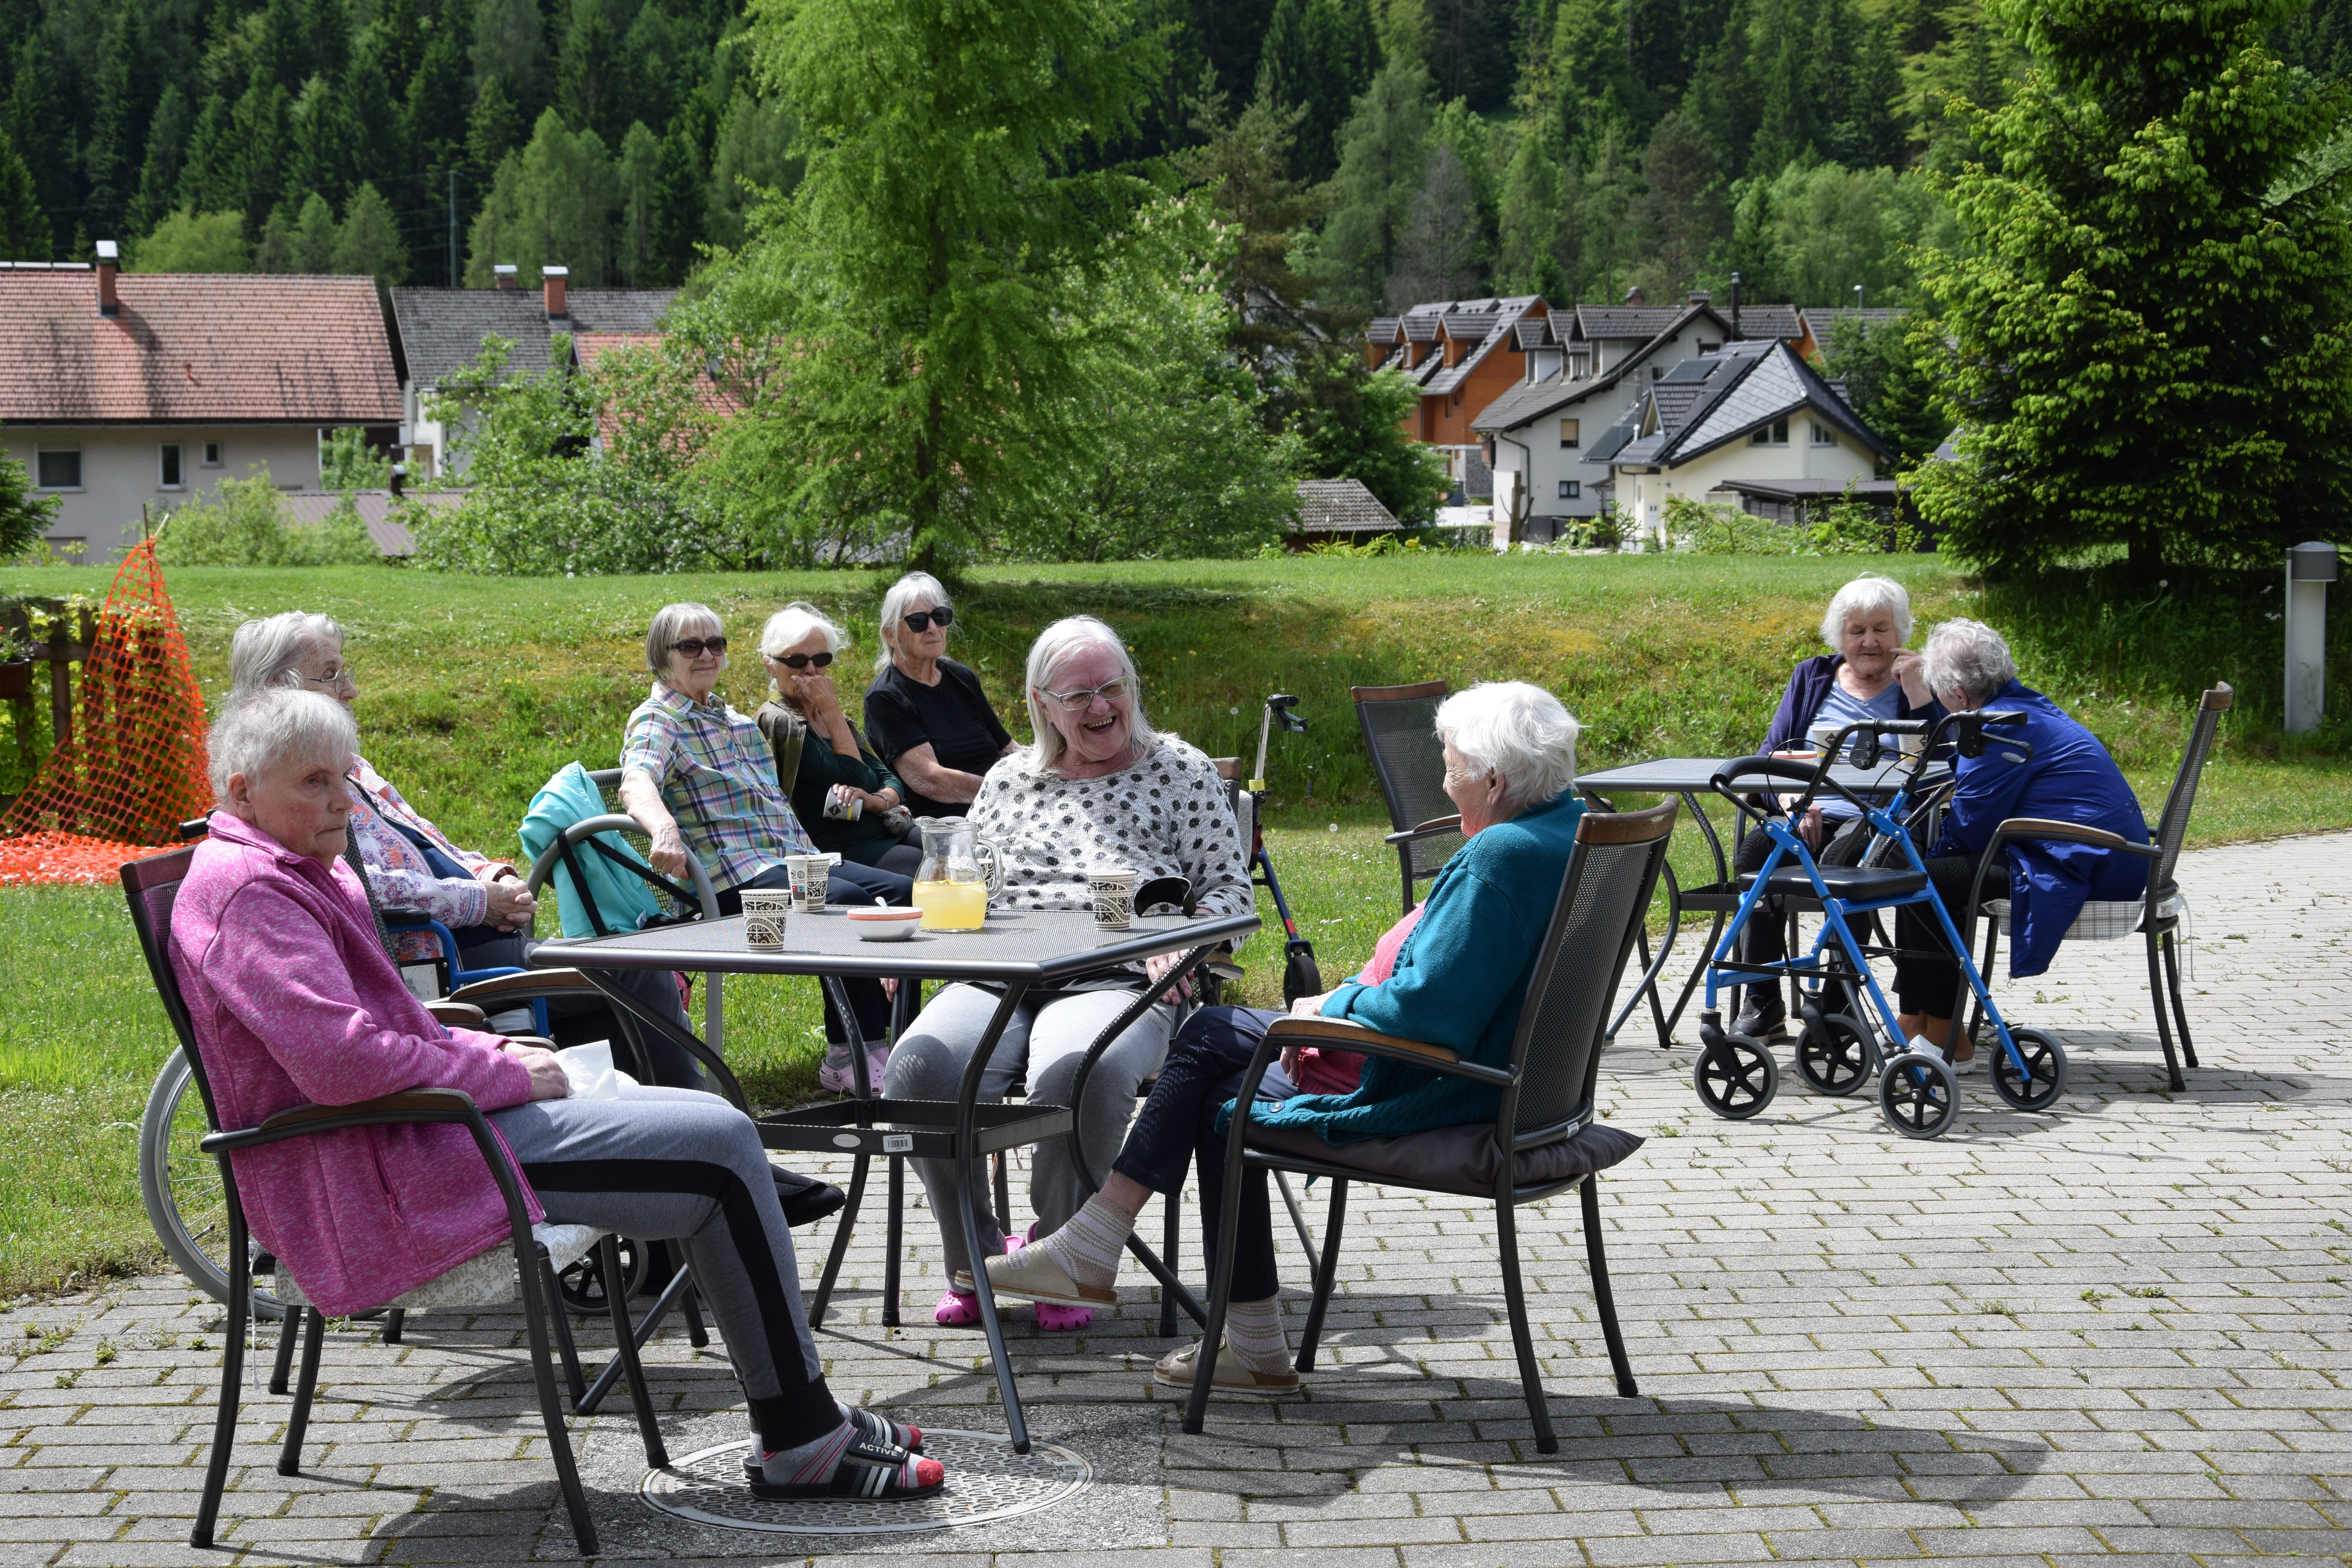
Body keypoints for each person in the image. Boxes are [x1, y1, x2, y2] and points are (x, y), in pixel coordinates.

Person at [172, 689, 942, 1499]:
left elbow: (382, 1031)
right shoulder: (251, 894)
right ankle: (801, 1435)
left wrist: (488, 1046)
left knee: (717, 1121)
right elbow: (341, 1064)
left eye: (343, 778)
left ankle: (803, 1411)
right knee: (718, 1151)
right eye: (311, 783)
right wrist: (501, 1071)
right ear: (240, 791)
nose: (338, 800)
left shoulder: (287, 871)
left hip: (413, 1131)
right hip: (376, 1165)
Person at [985, 682, 1584, 1396]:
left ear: (1493, 778)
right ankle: (1207, 1318)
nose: (1444, 779)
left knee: (1208, 1041)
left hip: (1430, 1081)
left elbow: (1429, 1011)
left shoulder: (1503, 857)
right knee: (1214, 1082)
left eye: (1450, 764)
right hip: (1511, 1082)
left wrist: (1336, 1001)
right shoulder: (1567, 828)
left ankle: (1110, 1253)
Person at [882, 615, 1252, 1332]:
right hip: (1000, 972)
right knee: (918, 1067)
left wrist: (1180, 938)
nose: (1101, 707)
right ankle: (976, 1262)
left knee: (1077, 1069)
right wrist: (918, 937)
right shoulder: (1010, 778)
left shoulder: (1178, 768)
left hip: (1117, 977)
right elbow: (966, 877)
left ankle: (1064, 1259)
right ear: (1041, 702)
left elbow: (1231, 895)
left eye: (1113, 688)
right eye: (1078, 696)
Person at [619, 603, 912, 1093]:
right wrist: (664, 831)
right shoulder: (659, 719)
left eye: (716, 644)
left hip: (790, 863)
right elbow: (636, 782)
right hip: (732, 885)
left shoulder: (735, 722)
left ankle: (898, 1043)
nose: (707, 654)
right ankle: (849, 1055)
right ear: (663, 655)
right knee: (852, 904)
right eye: (691, 646)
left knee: (904, 896)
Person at [1893, 618, 2148, 1069]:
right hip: (2108, 857)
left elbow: (1971, 828)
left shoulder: (1998, 726)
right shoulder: (2021, 705)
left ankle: (1947, 1038)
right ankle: (1917, 1020)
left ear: (1958, 696)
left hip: (2084, 865)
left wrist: (1928, 854)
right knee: (1929, 877)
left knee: (1924, 882)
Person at [1730, 574, 1946, 1040]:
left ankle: (1837, 1002)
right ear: (1840, 636)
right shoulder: (1812, 676)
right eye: (1857, 630)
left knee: (1844, 860)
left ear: (1901, 632)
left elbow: (1948, 761)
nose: (1869, 641)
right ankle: (1762, 1000)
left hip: (1880, 824)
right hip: (1808, 815)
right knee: (1755, 856)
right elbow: (1775, 754)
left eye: (1881, 629)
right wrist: (1791, 801)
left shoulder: (1919, 682)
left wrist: (1921, 698)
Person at [754, 603, 924, 878]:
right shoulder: (780, 721)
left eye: (821, 660)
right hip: (840, 847)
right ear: (771, 666)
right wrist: (832, 710)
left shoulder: (830, 718)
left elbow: (888, 778)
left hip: (883, 827)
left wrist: (876, 802)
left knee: (955, 853)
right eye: (797, 661)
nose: (812, 670)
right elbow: (857, 777)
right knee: (932, 870)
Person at [861, 572, 1017, 820]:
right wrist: (1012, 792)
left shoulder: (962, 677)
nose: (933, 628)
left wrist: (1047, 770)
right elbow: (931, 780)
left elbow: (1007, 748)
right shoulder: (885, 697)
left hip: (1002, 806)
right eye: (918, 621)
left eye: (940, 616)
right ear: (891, 634)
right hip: (945, 822)